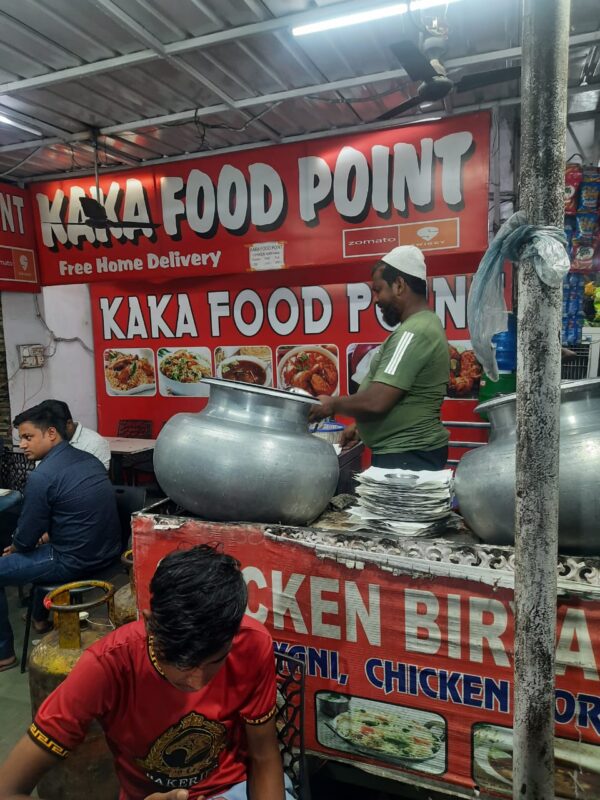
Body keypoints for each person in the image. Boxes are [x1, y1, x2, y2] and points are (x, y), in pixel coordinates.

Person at [0, 545, 287, 800]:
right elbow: (7, 790)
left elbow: (263, 757)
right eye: (180, 663)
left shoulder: (251, 644)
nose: (195, 681)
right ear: (150, 625)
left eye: (214, 661)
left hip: (232, 789)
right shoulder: (107, 666)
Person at [0, 404, 120, 670]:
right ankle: (40, 620)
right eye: (20, 438)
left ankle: (3, 653)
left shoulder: (42, 476)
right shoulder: (87, 459)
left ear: (51, 433)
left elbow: (26, 537)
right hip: (108, 553)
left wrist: (17, 546)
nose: (22, 444)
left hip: (74, 560)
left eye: (28, 437)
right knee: (32, 550)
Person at [312, 245, 450, 470]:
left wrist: (332, 404)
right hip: (407, 453)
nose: (375, 300)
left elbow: (378, 399)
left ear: (399, 285)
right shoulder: (424, 325)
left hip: (407, 456)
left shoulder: (413, 332)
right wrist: (361, 428)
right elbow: (403, 397)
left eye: (378, 290)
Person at [38, 399, 111, 471]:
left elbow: (95, 476)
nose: (50, 436)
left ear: (69, 424)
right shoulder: (45, 439)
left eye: (53, 431)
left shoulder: (95, 443)